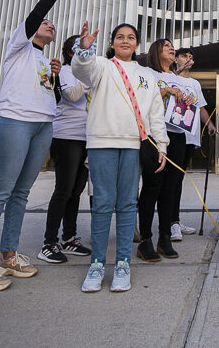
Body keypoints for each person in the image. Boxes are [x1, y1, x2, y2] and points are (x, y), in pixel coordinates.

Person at [0, 0, 80, 291]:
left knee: (21, 194)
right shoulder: (19, 46)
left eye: (52, 25)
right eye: (45, 24)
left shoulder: (47, 61)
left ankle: (9, 256)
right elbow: (34, 16)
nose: (49, 24)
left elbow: (55, 100)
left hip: (43, 126)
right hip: (13, 122)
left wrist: (56, 78)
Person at [73, 21, 168, 292]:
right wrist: (84, 49)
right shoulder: (101, 64)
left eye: (130, 37)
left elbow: (155, 114)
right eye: (119, 37)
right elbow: (82, 71)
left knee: (128, 204)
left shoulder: (148, 75)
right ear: (113, 42)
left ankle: (123, 263)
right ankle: (97, 264)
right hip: (101, 142)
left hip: (133, 145)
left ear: (137, 44)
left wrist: (161, 145)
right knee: (102, 203)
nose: (125, 41)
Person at [137, 38, 193, 261]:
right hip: (155, 137)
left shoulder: (178, 78)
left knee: (171, 188)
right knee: (152, 187)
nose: (172, 49)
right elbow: (141, 101)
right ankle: (145, 240)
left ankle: (165, 237)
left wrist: (187, 99)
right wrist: (165, 91)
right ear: (155, 51)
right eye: (166, 46)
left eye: (173, 47)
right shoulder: (148, 74)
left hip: (178, 136)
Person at [38, 36, 92, 264]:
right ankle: (49, 243)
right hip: (66, 136)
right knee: (63, 190)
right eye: (84, 49)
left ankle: (69, 238)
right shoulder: (65, 72)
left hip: (87, 137)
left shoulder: (87, 72)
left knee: (77, 190)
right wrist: (91, 78)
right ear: (72, 53)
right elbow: (72, 95)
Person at [171, 47, 217, 238]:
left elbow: (201, 108)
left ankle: (175, 220)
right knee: (171, 181)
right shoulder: (169, 78)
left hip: (190, 137)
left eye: (190, 56)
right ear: (175, 58)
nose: (188, 59)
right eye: (184, 56)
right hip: (172, 134)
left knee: (178, 180)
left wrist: (210, 124)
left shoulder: (195, 83)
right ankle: (171, 223)